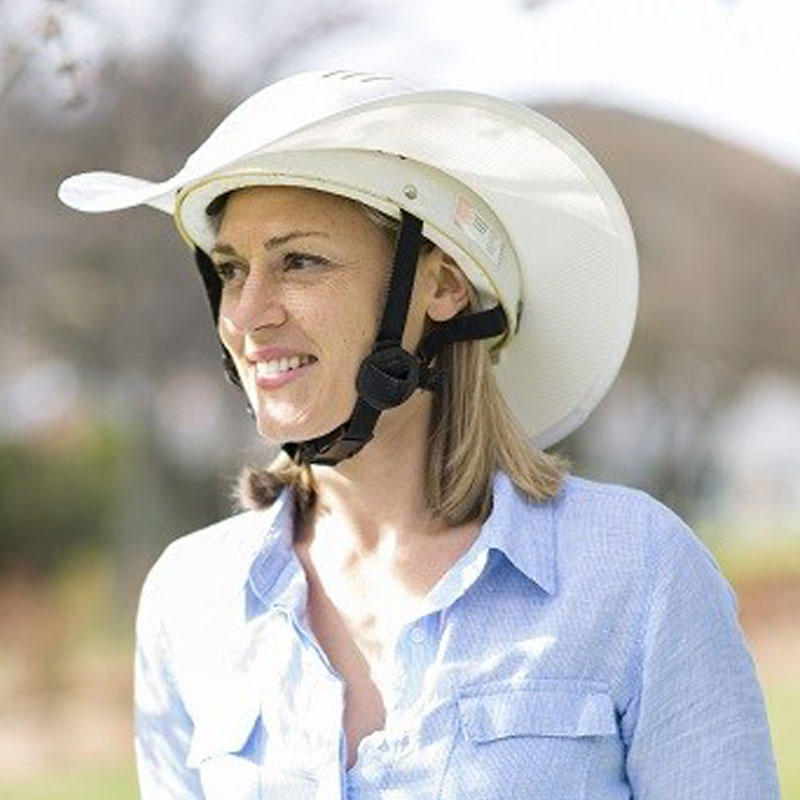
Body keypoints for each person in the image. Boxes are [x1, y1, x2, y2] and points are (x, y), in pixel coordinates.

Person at [58, 70, 779, 799]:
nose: (247, 315)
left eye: (299, 261)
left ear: (441, 287)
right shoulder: (190, 598)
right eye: (231, 270)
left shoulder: (637, 571)